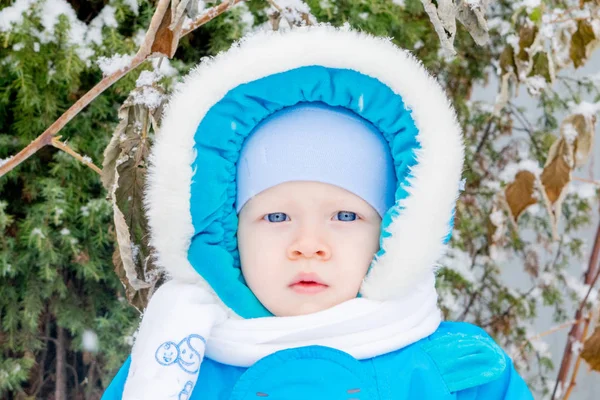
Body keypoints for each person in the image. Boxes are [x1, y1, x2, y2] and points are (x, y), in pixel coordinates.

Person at [101, 24, 534, 399]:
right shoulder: (174, 366)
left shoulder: (458, 373)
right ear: (229, 237)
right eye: (275, 217)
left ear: (393, 234)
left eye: (346, 217)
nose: (308, 245)